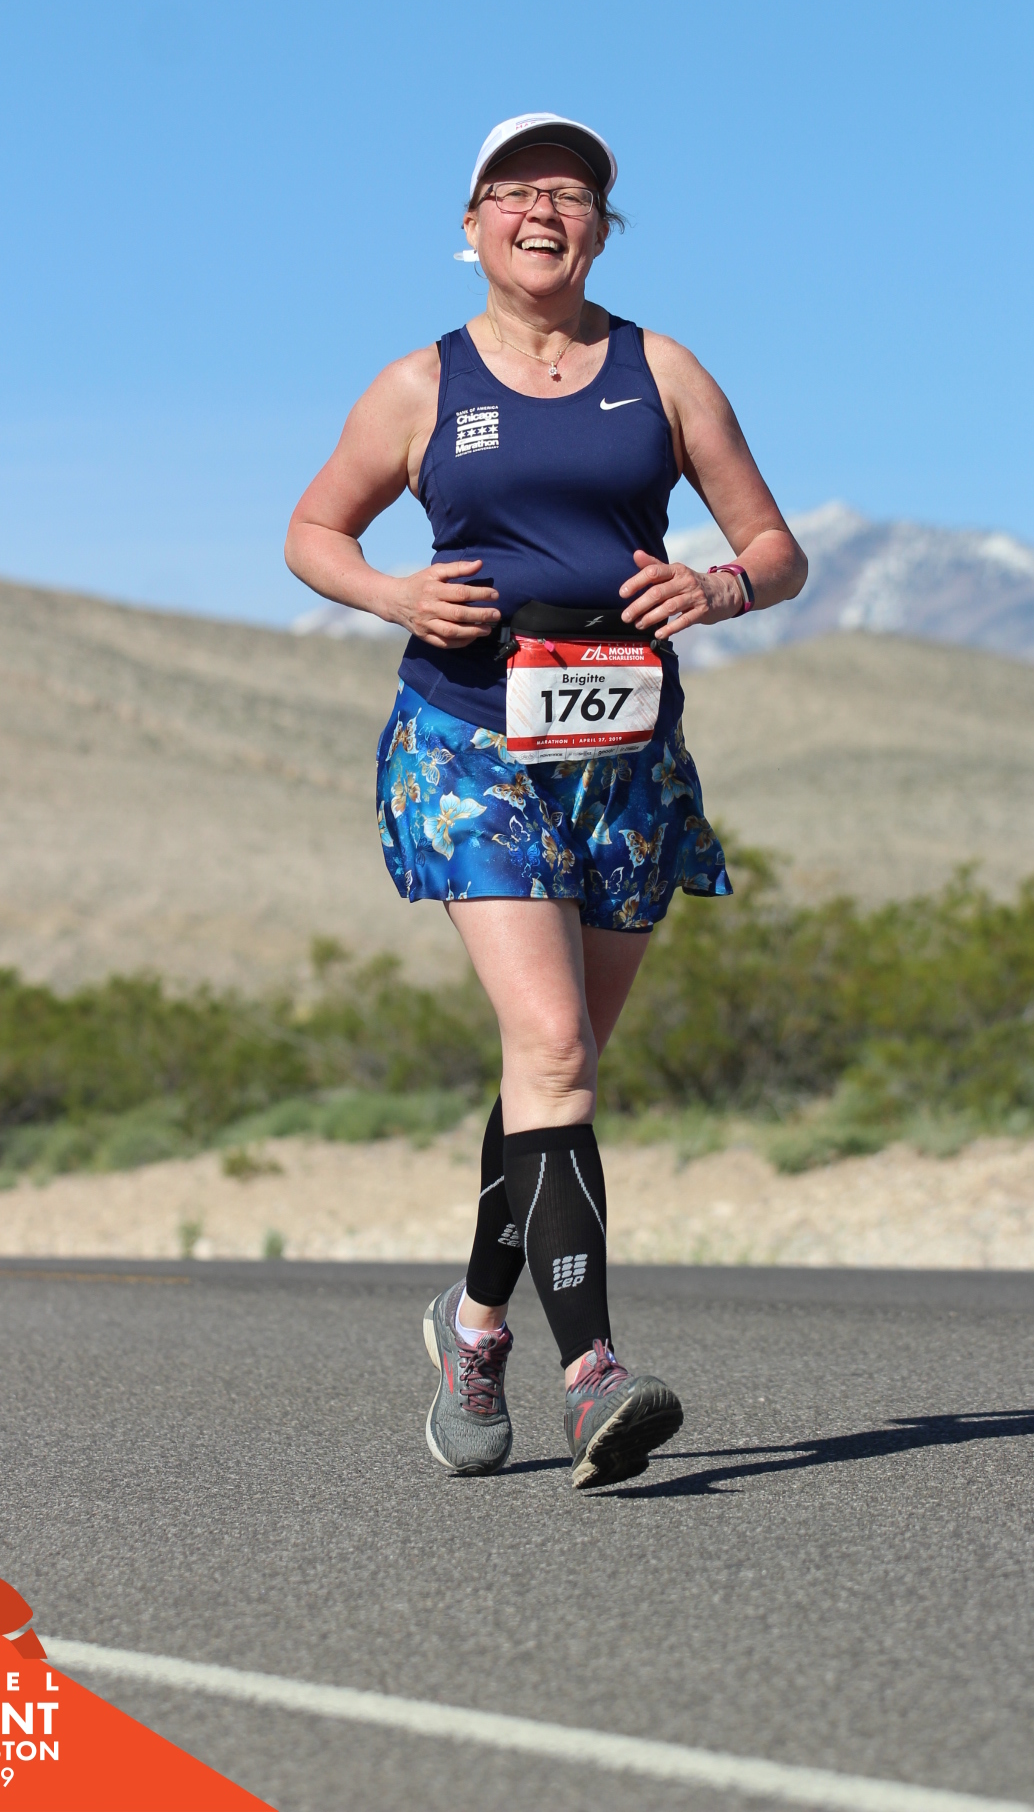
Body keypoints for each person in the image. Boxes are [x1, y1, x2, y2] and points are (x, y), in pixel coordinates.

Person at [286, 112, 807, 1489]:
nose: (541, 212)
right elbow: (312, 530)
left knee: (551, 1068)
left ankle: (472, 1327)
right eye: (513, 192)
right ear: (470, 227)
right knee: (556, 1047)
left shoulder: (663, 370)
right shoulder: (421, 384)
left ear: (600, 229)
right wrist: (393, 592)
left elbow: (776, 546)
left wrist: (719, 587)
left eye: (570, 194)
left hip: (624, 747)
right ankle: (593, 1378)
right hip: (469, 738)